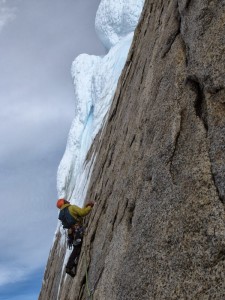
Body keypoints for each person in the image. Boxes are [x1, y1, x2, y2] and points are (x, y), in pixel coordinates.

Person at [56, 198, 94, 277]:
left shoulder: (63, 214)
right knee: (77, 248)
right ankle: (69, 266)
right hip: (78, 230)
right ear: (64, 202)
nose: (67, 200)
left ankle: (70, 264)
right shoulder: (71, 208)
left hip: (71, 233)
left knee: (76, 248)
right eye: (65, 200)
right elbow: (82, 213)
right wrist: (90, 206)